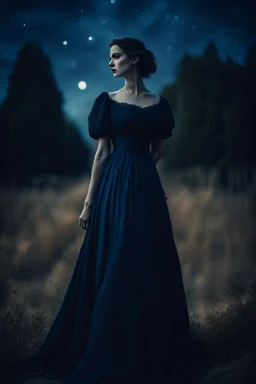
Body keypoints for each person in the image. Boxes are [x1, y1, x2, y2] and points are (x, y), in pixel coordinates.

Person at [16, 37, 194, 384]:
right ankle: (107, 347)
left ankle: (150, 347)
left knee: (150, 260)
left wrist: (142, 182)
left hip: (144, 189)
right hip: (113, 186)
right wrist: (89, 202)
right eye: (110, 58)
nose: (110, 63)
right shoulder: (108, 102)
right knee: (116, 257)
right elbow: (101, 155)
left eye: (116, 57)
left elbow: (156, 152)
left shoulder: (159, 105)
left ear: (135, 59)